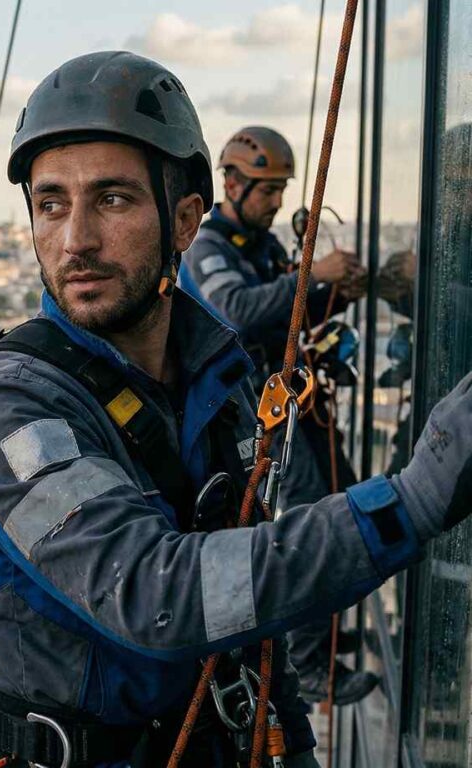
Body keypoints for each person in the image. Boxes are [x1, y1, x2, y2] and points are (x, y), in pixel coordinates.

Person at [0, 50, 472, 767]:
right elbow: (152, 593)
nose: (75, 241)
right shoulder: (11, 407)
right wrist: (405, 505)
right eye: (51, 204)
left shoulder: (215, 378)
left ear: (185, 219)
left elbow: (249, 615)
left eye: (112, 199)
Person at [180, 127, 375, 705]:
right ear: (233, 184)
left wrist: (338, 289)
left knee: (341, 496)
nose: (277, 202)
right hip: (247, 414)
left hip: (282, 405)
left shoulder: (259, 247)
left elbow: (287, 311)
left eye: (281, 190)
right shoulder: (209, 247)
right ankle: (311, 662)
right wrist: (317, 276)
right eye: (268, 190)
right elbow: (238, 312)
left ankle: (325, 633)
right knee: (312, 514)